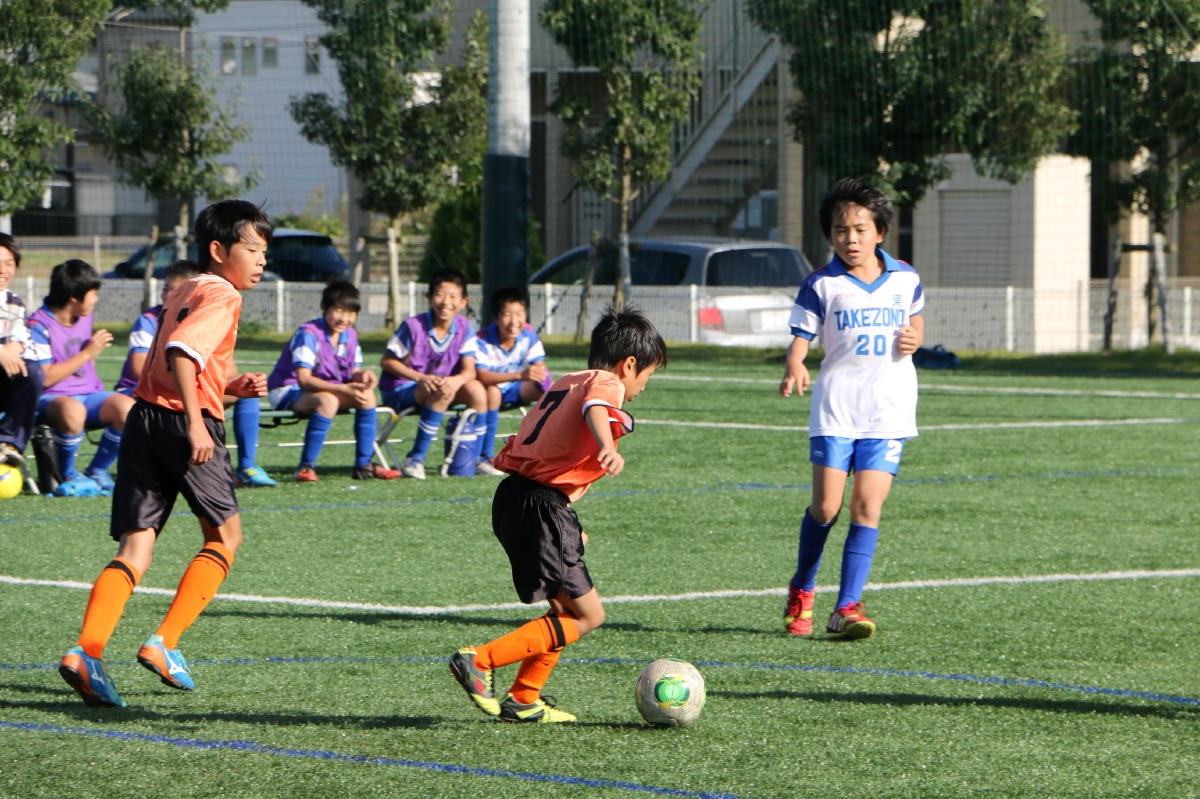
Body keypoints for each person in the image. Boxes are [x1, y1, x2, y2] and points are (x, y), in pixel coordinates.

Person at [58, 199, 271, 708]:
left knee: (136, 549)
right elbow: (181, 352)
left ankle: (87, 653)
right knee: (226, 536)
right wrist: (197, 421)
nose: (262, 260)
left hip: (143, 418)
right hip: (183, 423)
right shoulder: (223, 294)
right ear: (218, 250)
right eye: (252, 249)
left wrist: (230, 386)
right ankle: (164, 642)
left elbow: (173, 361)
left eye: (265, 251)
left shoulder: (184, 288)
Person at [448, 305, 666, 723]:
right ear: (629, 364)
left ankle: (524, 698)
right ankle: (480, 660)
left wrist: (565, 524)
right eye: (647, 375)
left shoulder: (567, 381)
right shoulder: (606, 382)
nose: (643, 386)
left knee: (565, 611)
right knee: (588, 615)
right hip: (540, 506)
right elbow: (597, 408)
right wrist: (607, 446)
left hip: (517, 498)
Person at [779, 178, 924, 640]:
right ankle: (803, 587)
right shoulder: (821, 283)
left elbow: (916, 322)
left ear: (880, 231)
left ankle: (846, 606)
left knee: (867, 506)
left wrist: (915, 337)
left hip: (889, 410)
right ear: (830, 235)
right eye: (841, 230)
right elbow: (801, 338)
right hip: (836, 409)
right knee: (826, 507)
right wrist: (796, 363)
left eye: (861, 229)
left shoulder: (905, 278)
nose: (851, 239)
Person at [115, 259, 276, 488]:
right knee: (218, 508)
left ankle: (247, 466)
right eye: (166, 289)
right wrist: (196, 419)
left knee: (247, 394)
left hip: (185, 398)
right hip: (150, 396)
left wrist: (225, 385)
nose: (168, 295)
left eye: (175, 290)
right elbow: (142, 368)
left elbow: (229, 369)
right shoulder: (151, 319)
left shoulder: (208, 312)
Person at [267, 279, 398, 481]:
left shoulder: (350, 335)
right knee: (328, 400)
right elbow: (304, 380)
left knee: (367, 395)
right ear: (323, 307)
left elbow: (353, 371)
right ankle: (306, 467)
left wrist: (363, 376)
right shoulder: (308, 334)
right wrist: (344, 389)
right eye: (338, 310)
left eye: (351, 313)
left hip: (328, 389)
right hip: (287, 390)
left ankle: (364, 464)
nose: (345, 318)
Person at [27, 260, 134, 491]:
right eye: (92, 293)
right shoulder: (38, 325)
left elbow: (86, 360)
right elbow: (45, 378)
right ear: (74, 297)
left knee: (128, 409)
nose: (96, 298)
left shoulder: (85, 315)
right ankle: (67, 475)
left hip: (88, 393)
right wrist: (88, 354)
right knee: (74, 411)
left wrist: (89, 356)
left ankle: (97, 470)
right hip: (51, 397)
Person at [379, 267, 486, 480]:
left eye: (453, 296)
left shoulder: (464, 327)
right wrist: (420, 377)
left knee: (478, 391)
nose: (446, 302)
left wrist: (456, 380)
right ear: (428, 297)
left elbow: (469, 371)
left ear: (463, 302)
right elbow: (387, 361)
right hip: (400, 389)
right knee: (441, 390)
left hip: (438, 388)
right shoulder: (412, 326)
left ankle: (478, 458)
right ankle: (415, 459)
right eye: (440, 295)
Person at [472, 287, 553, 476]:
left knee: (551, 392)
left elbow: (540, 369)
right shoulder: (481, 339)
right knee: (493, 391)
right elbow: (482, 376)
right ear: (495, 318)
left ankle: (538, 447)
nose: (514, 321)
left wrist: (545, 380)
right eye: (507, 314)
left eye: (519, 314)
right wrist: (520, 375)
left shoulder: (529, 335)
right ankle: (485, 456)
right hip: (487, 391)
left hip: (514, 388)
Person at [0, 233, 44, 471]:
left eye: (9, 263)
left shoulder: (15, 303)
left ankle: (8, 443)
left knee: (31, 372)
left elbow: (23, 339)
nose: (3, 270)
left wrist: (14, 348)